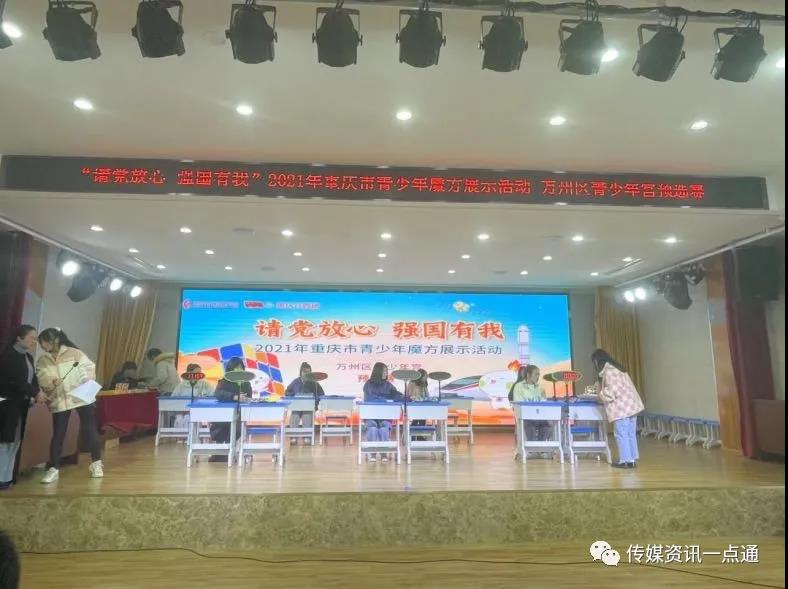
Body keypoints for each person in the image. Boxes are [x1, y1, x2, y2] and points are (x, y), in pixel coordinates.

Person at [35, 328, 103, 484]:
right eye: (40, 342)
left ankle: (96, 464)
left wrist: (86, 381)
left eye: (44, 341)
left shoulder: (75, 353)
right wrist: (52, 381)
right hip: (59, 400)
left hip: (81, 396)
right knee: (58, 434)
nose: (42, 345)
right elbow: (41, 377)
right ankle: (54, 469)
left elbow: (88, 368)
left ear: (55, 340)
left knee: (89, 430)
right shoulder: (43, 360)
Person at [0, 325, 40, 490]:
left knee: (15, 442)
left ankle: (7, 478)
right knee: (5, 441)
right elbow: (17, 381)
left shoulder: (28, 357)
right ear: (19, 338)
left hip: (21, 405)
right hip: (7, 405)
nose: (34, 341)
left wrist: (37, 392)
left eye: (35, 339)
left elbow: (33, 379)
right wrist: (36, 393)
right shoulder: (8, 355)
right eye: (31, 338)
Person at [591, 349, 645, 469]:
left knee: (621, 434)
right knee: (630, 434)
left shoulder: (609, 371)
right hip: (632, 406)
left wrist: (599, 393)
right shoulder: (618, 369)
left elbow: (611, 392)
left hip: (622, 408)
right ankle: (631, 460)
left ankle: (625, 461)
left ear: (597, 361)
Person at [209, 357, 252, 461]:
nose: (238, 370)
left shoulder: (246, 383)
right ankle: (221, 452)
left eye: (240, 367)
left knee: (237, 427)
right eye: (236, 368)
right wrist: (234, 396)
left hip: (239, 414)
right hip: (224, 415)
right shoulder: (224, 381)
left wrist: (245, 399)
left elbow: (249, 397)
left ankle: (227, 452)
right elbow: (218, 394)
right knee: (220, 426)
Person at [362, 362, 403, 463]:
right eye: (384, 371)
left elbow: (396, 395)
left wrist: (405, 397)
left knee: (384, 428)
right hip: (371, 415)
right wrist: (385, 399)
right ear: (378, 371)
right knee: (372, 428)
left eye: (386, 371)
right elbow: (370, 398)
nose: (386, 373)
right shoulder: (368, 384)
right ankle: (372, 453)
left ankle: (384, 453)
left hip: (385, 416)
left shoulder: (388, 385)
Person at [284, 362, 324, 445]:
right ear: (301, 372)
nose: (306, 374)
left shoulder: (314, 382)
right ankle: (293, 437)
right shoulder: (295, 382)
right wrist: (294, 398)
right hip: (297, 406)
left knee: (307, 415)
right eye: (305, 372)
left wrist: (315, 401)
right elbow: (287, 392)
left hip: (309, 406)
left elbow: (321, 394)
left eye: (309, 372)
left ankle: (307, 437)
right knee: (294, 416)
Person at [508, 364, 550, 444]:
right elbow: (519, 405)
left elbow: (543, 403)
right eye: (536, 374)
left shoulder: (540, 387)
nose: (538, 377)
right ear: (528, 375)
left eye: (539, 374)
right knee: (530, 426)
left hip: (539, 416)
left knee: (547, 426)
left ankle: (540, 446)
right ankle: (533, 447)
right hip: (526, 417)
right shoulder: (519, 386)